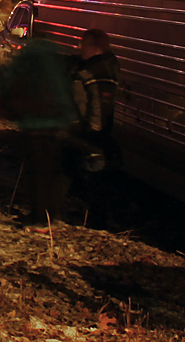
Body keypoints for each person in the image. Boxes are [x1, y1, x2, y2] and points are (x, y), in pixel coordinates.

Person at [0, 36, 75, 231]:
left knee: (35, 173)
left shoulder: (25, 61)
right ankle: (49, 214)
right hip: (55, 122)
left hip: (32, 123)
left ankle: (39, 218)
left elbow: (8, 85)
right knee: (50, 172)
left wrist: (9, 110)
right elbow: (64, 90)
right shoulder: (56, 61)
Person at [67, 28, 121, 225]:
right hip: (92, 128)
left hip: (93, 130)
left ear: (95, 47)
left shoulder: (99, 72)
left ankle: (97, 219)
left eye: (84, 44)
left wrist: (93, 131)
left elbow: (100, 105)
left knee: (95, 176)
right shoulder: (97, 65)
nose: (80, 48)